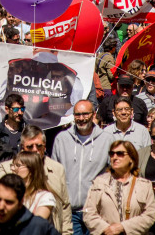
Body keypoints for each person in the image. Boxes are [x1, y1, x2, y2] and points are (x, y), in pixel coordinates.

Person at [51, 100, 112, 235]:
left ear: (94, 114)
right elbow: (54, 174)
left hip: (97, 212)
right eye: (77, 115)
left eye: (85, 114)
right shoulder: (62, 139)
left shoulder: (107, 139)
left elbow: (114, 173)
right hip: (69, 212)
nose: (81, 118)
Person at [81, 140, 155, 235]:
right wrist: (106, 229)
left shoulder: (144, 185)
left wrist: (123, 227)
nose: (114, 157)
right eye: (111, 154)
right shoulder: (99, 182)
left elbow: (149, 215)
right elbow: (88, 213)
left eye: (120, 154)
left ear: (131, 158)